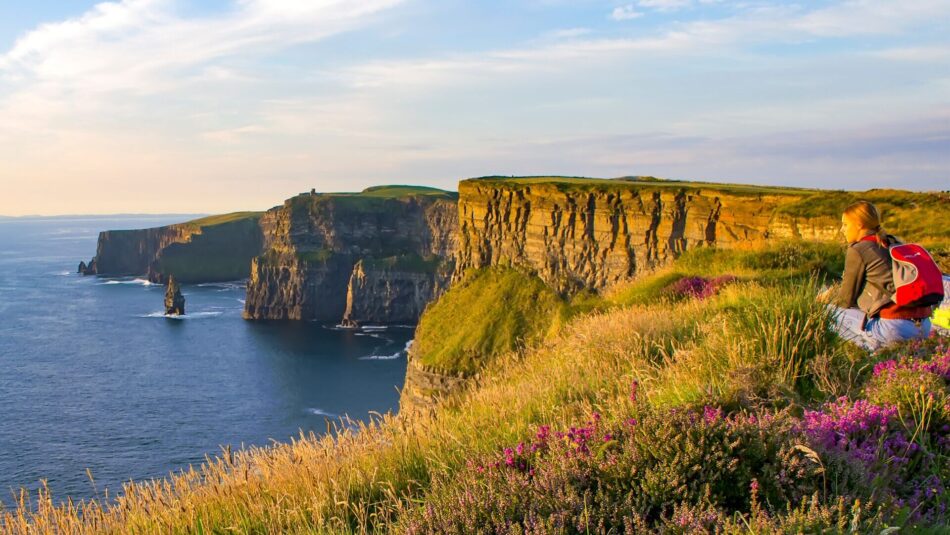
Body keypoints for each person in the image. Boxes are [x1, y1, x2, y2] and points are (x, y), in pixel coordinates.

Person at [817, 201, 932, 351]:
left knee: (824, 312)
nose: (841, 229)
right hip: (924, 326)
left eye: (845, 224)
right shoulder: (892, 242)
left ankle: (870, 352)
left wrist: (825, 298)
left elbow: (845, 300)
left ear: (859, 224)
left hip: (894, 328)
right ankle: (888, 352)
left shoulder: (859, 249)